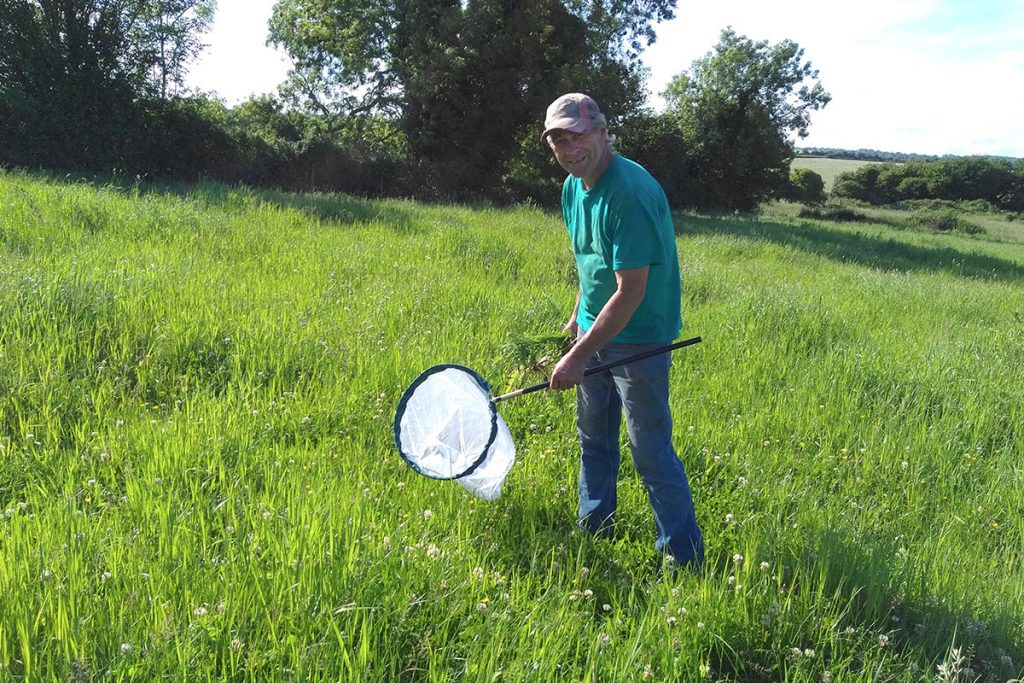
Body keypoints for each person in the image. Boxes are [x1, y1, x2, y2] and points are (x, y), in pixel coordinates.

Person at [542, 92, 704, 568]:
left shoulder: (630, 193)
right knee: (593, 438)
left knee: (650, 450)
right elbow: (591, 265)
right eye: (559, 140)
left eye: (578, 136)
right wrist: (578, 316)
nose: (570, 149)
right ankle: (595, 527)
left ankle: (684, 557)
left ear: (603, 133)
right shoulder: (574, 188)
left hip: (640, 337)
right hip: (595, 331)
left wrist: (577, 355)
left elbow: (630, 292)